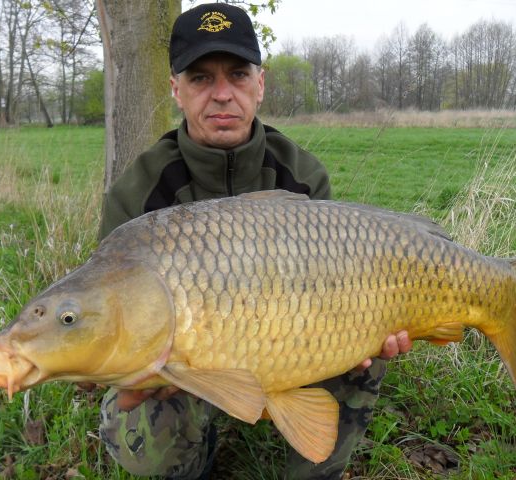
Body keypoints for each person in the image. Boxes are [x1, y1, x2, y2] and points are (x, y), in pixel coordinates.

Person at [97, 3, 412, 479]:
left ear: (260, 85)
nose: (222, 95)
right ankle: (191, 463)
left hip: (290, 343)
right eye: (201, 78)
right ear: (176, 91)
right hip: (189, 365)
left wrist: (372, 321)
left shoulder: (300, 175)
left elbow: (339, 286)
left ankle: (313, 469)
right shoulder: (139, 191)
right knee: (145, 433)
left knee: (362, 349)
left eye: (238, 76)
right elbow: (102, 323)